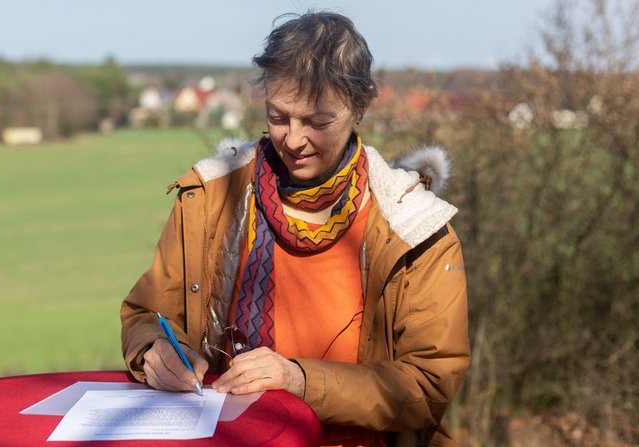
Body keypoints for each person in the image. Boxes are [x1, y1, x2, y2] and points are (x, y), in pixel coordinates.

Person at [120, 11, 470, 447]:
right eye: (278, 116)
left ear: (359, 107)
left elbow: (427, 385)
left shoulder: (416, 228)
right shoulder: (209, 199)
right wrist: (153, 349)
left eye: (318, 122)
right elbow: (145, 314)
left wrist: (299, 380)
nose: (294, 139)